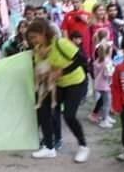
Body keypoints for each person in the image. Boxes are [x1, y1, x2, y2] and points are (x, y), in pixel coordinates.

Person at [28, 19, 89, 162]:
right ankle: (49, 147)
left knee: (69, 115)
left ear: (44, 34)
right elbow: (41, 68)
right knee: (42, 109)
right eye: (30, 38)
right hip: (56, 85)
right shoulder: (38, 50)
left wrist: (62, 72)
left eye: (34, 37)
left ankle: (83, 146)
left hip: (76, 82)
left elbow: (82, 59)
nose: (32, 41)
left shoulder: (60, 43)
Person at [91, 38, 115, 129]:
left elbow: (95, 73)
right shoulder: (107, 61)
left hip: (98, 84)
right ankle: (104, 120)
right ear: (108, 51)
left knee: (105, 101)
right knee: (107, 102)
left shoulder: (97, 61)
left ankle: (106, 117)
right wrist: (113, 70)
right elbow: (108, 74)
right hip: (105, 85)